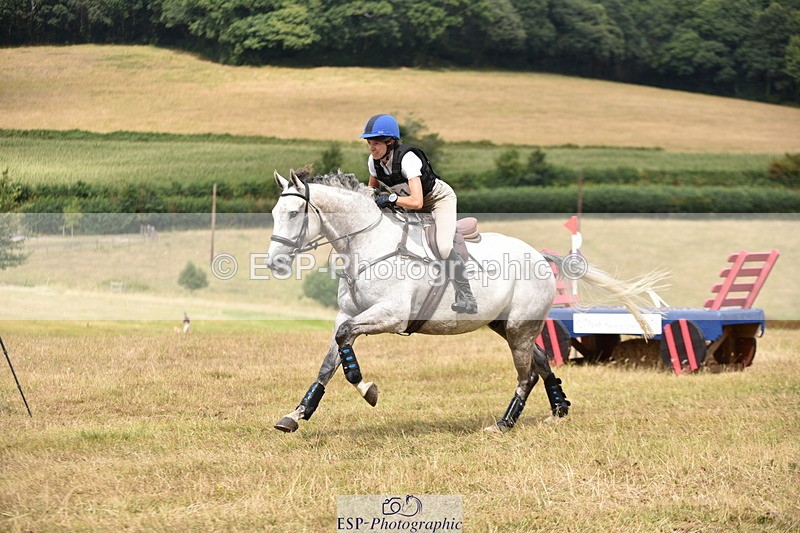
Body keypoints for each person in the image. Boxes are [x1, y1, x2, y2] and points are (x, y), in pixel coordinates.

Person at [360, 113, 477, 314]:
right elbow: (372, 192)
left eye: (376, 143)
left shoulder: (408, 159)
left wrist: (392, 199)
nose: (372, 148)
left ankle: (466, 295)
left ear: (390, 142)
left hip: (437, 200)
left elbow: (417, 201)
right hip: (409, 203)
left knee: (443, 246)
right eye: (369, 143)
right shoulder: (374, 161)